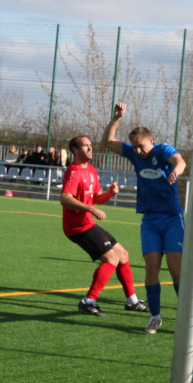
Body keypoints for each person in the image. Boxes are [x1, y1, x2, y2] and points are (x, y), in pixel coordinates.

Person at [101, 102, 187, 334]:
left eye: (142, 146)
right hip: (150, 220)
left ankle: (187, 317)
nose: (139, 151)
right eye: (135, 147)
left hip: (172, 218)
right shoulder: (134, 153)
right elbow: (107, 142)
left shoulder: (162, 150)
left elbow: (180, 162)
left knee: (176, 269)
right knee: (151, 268)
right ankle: (155, 316)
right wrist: (116, 118)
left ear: (151, 140)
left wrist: (176, 171)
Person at [61, 135, 149, 317]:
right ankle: (88, 301)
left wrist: (109, 193)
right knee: (111, 259)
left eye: (91, 145)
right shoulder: (73, 172)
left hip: (88, 223)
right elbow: (65, 198)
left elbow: (97, 198)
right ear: (75, 150)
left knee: (123, 255)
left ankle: (132, 301)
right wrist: (91, 209)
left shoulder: (91, 170)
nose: (90, 148)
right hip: (77, 227)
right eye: (86, 146)